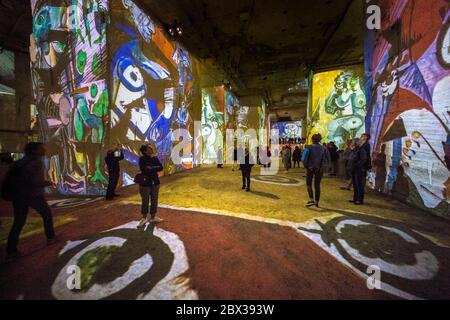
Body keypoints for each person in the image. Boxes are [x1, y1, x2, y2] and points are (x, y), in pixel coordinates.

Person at [5, 142, 57, 261]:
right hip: (33, 195)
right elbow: (35, 182)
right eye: (42, 148)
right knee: (46, 214)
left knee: (18, 222)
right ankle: (51, 237)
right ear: (36, 150)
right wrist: (47, 183)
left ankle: (11, 251)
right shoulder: (36, 162)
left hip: (18, 196)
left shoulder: (20, 162)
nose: (44, 150)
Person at [137, 144, 164, 228]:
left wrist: (151, 168)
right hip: (145, 183)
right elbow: (144, 169)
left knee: (154, 200)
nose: (151, 148)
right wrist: (154, 168)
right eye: (149, 148)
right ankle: (144, 218)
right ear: (145, 151)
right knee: (145, 200)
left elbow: (161, 167)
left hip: (155, 182)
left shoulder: (155, 158)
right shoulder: (142, 159)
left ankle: (153, 217)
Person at [303, 134, 330, 207]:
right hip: (320, 168)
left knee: (309, 184)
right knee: (317, 185)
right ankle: (317, 201)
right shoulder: (324, 148)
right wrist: (323, 167)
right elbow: (328, 159)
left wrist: (307, 166)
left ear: (312, 139)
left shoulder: (308, 147)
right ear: (320, 140)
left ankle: (311, 199)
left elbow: (303, 159)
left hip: (310, 168)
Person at [348, 138, 368, 205]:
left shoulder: (361, 150)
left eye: (353, 142)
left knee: (359, 185)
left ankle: (360, 200)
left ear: (356, 143)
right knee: (355, 185)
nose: (352, 143)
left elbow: (363, 160)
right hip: (353, 169)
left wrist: (356, 165)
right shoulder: (354, 150)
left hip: (358, 170)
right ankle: (355, 198)